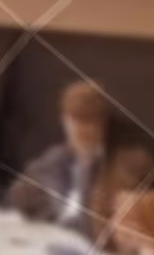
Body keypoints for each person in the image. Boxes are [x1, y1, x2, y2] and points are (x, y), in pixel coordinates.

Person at [11, 81, 114, 229]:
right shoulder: (54, 159)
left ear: (103, 123)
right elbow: (18, 197)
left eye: (90, 122)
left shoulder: (118, 165)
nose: (83, 130)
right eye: (76, 121)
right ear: (64, 121)